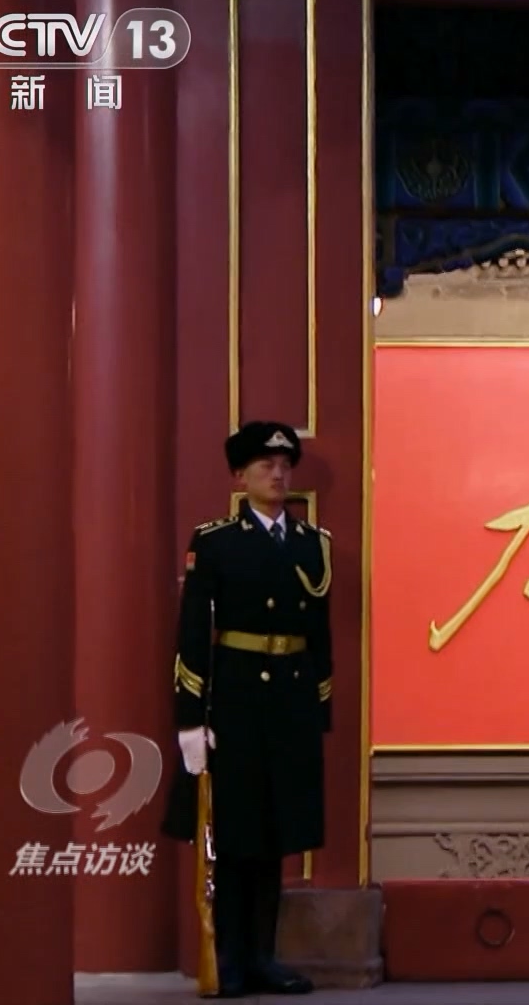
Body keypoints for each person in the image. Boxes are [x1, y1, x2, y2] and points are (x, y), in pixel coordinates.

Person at [160, 421, 333, 998]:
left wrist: (319, 708)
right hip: (235, 700)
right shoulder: (215, 542)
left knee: (276, 833)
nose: (278, 475)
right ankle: (229, 957)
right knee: (235, 835)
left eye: (284, 466)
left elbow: (320, 636)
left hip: (290, 701)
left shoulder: (312, 544)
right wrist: (191, 718)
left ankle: (263, 957)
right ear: (240, 476)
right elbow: (193, 632)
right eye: (265, 466)